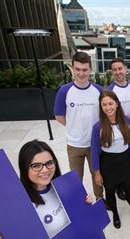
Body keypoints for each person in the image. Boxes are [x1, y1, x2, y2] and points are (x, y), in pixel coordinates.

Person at [91, 90, 130, 229]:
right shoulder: (97, 127)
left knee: (128, 188)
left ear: (116, 104)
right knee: (110, 191)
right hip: (107, 163)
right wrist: (97, 173)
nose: (108, 107)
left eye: (110, 103)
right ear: (101, 107)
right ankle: (115, 214)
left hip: (124, 160)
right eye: (104, 105)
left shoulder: (126, 121)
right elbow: (94, 151)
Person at [54, 51, 103, 201]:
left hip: (94, 144)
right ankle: (80, 202)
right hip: (74, 144)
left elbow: (104, 115)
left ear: (90, 69)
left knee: (97, 175)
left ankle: (100, 199)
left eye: (84, 70)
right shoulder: (64, 91)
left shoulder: (99, 91)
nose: (81, 73)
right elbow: (59, 116)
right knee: (76, 178)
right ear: (72, 69)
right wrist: (74, 127)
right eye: (78, 69)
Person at [108, 58, 130, 200]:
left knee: (128, 157)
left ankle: (127, 180)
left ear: (126, 69)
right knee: (118, 160)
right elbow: (108, 114)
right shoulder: (110, 90)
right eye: (114, 70)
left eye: (120, 68)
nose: (117, 72)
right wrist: (128, 116)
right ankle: (118, 187)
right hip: (116, 133)